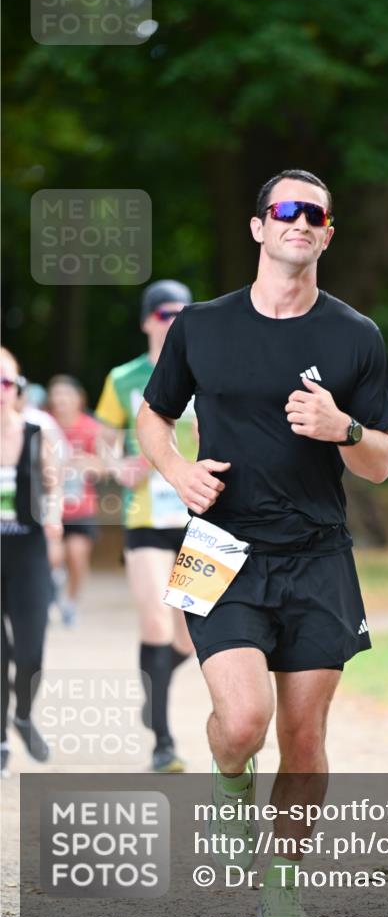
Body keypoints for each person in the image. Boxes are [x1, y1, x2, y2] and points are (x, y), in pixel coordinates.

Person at [137, 170, 388, 917]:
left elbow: (381, 460)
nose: (300, 221)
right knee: (243, 720)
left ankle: (281, 888)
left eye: (314, 213)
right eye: (286, 209)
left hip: (318, 555)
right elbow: (155, 417)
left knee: (306, 735)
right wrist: (179, 471)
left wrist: (342, 428)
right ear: (258, 227)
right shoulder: (201, 326)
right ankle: (228, 781)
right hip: (217, 548)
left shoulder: (355, 336)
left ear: (326, 233)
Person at [95, 280, 197, 773]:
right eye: (164, 314)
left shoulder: (209, 369)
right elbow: (101, 442)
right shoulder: (124, 377)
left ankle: (153, 693)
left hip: (200, 518)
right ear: (146, 320)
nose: (173, 321)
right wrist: (118, 467)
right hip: (145, 521)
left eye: (182, 313)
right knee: (157, 620)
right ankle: (162, 741)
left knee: (191, 637)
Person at [1, 347, 62, 776]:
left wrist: (55, 513)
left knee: (31, 651)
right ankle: (1, 738)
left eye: (5, 382)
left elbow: (53, 483)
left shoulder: (38, 431)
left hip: (28, 550)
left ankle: (22, 714)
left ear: (18, 388)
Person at [46, 375, 104, 626]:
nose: (61, 401)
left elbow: (104, 466)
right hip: (49, 506)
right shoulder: (42, 425)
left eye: (66, 395)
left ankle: (70, 602)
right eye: (56, 395)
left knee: (77, 556)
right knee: (53, 557)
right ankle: (51, 589)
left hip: (81, 506)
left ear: (79, 399)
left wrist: (86, 464)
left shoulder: (91, 428)